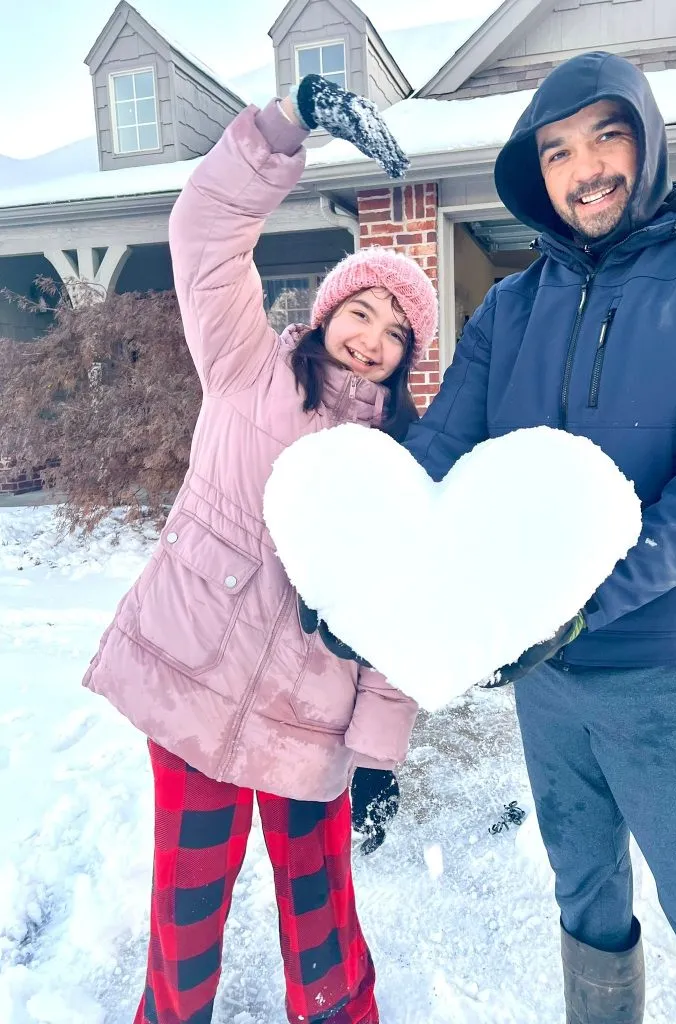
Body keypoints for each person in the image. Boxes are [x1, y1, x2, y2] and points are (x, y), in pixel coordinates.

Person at [402, 51, 676, 1023]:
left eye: (608, 134)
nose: (585, 166)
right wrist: (364, 550)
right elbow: (438, 451)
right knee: (585, 897)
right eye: (558, 149)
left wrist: (584, 598)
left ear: (646, 142)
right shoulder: (513, 308)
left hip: (672, 675)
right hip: (547, 677)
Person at [83, 75, 437, 1024]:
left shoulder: (400, 459)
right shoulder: (247, 365)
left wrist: (374, 748)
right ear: (327, 312)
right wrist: (290, 121)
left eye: (397, 333)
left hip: (309, 722)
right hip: (195, 683)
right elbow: (202, 234)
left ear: (407, 361)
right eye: (362, 311)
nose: (373, 339)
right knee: (186, 913)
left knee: (321, 924)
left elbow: (401, 616)